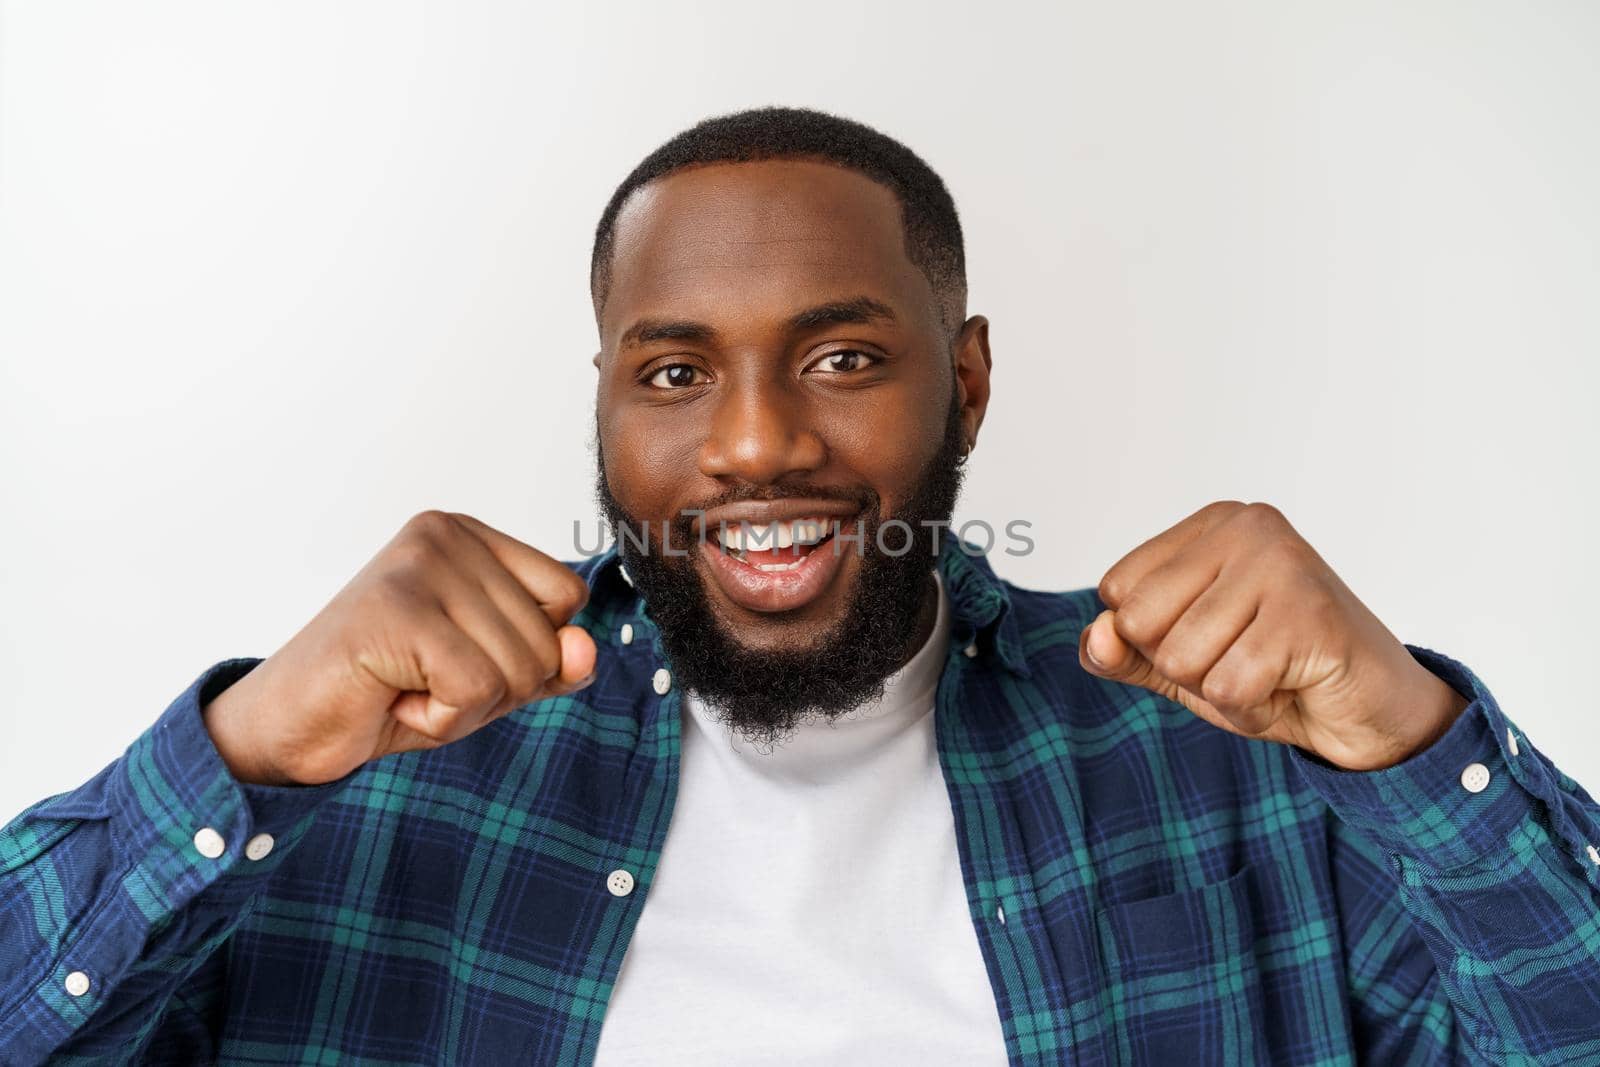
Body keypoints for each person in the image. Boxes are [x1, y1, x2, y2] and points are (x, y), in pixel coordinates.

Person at [2, 105, 1597, 1066]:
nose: (756, 444)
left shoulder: (1227, 755)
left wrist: (1409, 739)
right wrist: (243, 756)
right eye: (677, 370)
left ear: (966, 386)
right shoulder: (362, 775)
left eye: (843, 357)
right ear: (607, 401)